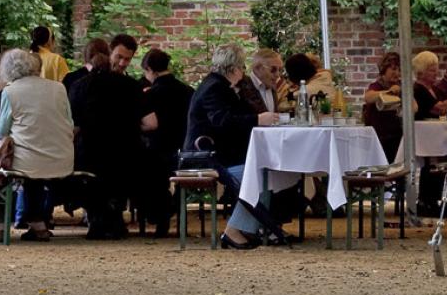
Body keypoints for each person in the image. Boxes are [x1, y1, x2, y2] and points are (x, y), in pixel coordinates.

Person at [184, 44, 285, 250]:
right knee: (260, 174)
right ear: (233, 68)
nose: (243, 72)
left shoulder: (218, 85)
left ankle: (245, 228)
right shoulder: (215, 88)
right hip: (204, 155)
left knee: (265, 172)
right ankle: (233, 230)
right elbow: (222, 121)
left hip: (217, 153)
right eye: (241, 67)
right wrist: (258, 118)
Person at [0, 47, 74, 241]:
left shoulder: (10, 92)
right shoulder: (58, 88)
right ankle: (37, 223)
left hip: (29, 160)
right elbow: (69, 122)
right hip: (62, 157)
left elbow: (3, 129)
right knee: (34, 171)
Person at [69, 38, 145, 240]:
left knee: (92, 178)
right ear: (108, 54)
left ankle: (97, 220)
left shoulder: (79, 86)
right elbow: (142, 119)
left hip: (90, 148)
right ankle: (114, 218)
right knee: (118, 176)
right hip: (125, 148)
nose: (121, 63)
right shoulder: (131, 85)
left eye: (126, 59)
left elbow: (74, 121)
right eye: (119, 57)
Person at [136, 48, 192, 237]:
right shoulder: (187, 91)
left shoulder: (151, 94)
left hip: (157, 151)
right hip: (184, 150)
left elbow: (149, 124)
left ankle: (161, 217)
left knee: (150, 177)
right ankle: (172, 206)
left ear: (150, 69)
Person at [361, 51, 434, 158]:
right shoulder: (377, 85)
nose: (397, 73)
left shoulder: (401, 87)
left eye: (399, 70)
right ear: (384, 69)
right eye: (394, 69)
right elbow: (368, 97)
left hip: (397, 137)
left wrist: (405, 93)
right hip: (379, 138)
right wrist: (389, 92)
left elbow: (414, 108)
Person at [247, 48, 287, 119]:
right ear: (258, 68)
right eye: (273, 69)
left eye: (280, 70)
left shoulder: (271, 85)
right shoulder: (243, 87)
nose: (278, 74)